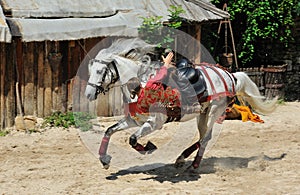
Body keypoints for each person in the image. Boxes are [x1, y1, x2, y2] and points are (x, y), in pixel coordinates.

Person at [126, 52, 200, 117]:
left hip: (164, 109)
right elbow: (162, 74)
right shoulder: (150, 84)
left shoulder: (140, 105)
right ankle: (192, 104)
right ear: (140, 85)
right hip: (174, 100)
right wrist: (166, 63)